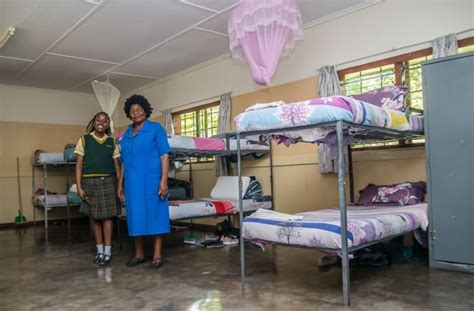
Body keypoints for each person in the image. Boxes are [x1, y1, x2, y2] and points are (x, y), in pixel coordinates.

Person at [119, 95, 171, 269]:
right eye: (132, 110)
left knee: (156, 215)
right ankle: (139, 254)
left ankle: (157, 255)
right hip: (132, 184)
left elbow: (164, 155)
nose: (136, 112)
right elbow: (124, 162)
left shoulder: (156, 129)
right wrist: (120, 184)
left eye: (139, 109)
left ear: (145, 110)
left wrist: (163, 180)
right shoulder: (125, 134)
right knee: (135, 218)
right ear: (129, 114)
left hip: (152, 181)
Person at [75, 112, 122, 267]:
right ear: (93, 122)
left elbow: (117, 166)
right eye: (98, 120)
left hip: (109, 182)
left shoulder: (111, 142)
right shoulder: (84, 139)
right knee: (95, 218)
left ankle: (108, 253)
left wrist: (119, 186)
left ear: (108, 124)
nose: (101, 122)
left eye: (105, 121)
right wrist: (79, 187)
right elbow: (79, 165)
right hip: (90, 182)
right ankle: (99, 252)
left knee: (108, 218)